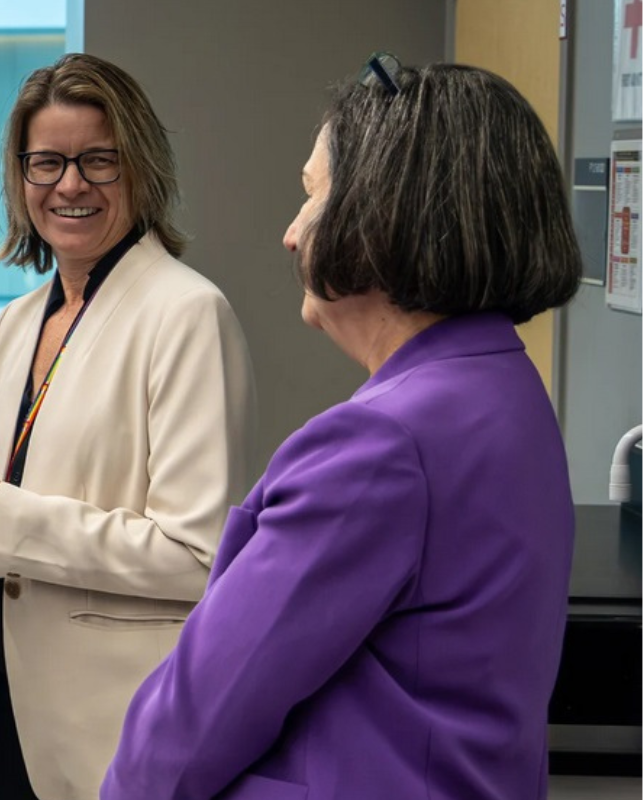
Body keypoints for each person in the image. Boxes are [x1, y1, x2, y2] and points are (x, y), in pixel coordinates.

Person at [102, 57, 582, 799]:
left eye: (312, 197)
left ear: (384, 209)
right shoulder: (507, 388)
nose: (292, 234)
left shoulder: (380, 446)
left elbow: (202, 713)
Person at [0, 53, 255, 800]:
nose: (71, 185)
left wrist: (2, 510)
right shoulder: (16, 324)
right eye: (46, 163)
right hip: (12, 708)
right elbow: (7, 526)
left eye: (98, 160)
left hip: (119, 726)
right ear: (20, 179)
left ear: (140, 168)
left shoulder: (186, 315)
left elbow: (198, 556)